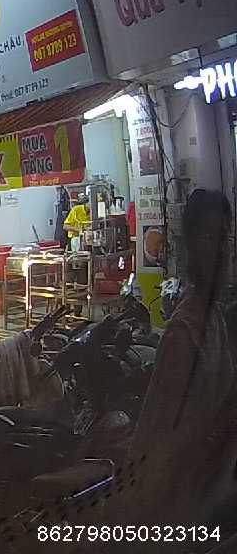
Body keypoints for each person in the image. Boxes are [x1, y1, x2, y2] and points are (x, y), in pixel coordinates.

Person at [117, 189, 237, 527]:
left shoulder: (214, 319)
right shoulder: (184, 333)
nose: (222, 251)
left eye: (226, 238)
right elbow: (165, 435)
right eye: (210, 239)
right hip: (184, 502)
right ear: (191, 248)